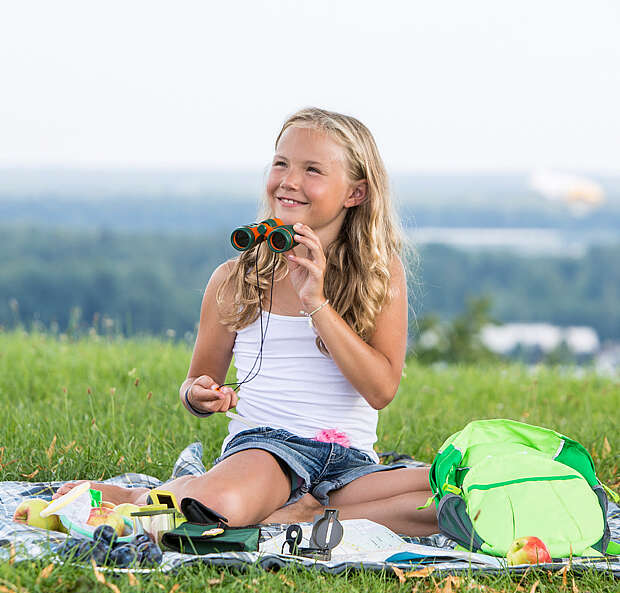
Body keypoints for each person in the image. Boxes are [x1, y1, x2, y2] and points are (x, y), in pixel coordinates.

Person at [54, 108, 438, 536]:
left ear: (356, 193)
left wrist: (317, 303)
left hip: (349, 466)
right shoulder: (235, 278)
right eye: (281, 164)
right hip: (266, 451)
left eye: (312, 170)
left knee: (457, 493)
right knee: (212, 509)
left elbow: (381, 390)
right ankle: (140, 498)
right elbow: (198, 381)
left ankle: (309, 514)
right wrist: (197, 394)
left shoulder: (381, 273)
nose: (289, 181)